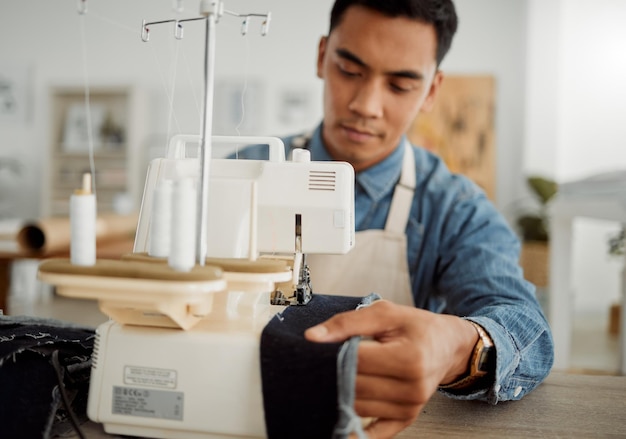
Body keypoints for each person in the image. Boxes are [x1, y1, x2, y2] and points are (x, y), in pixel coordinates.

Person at [240, 1, 553, 438]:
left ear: (431, 91)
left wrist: (456, 347)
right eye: (350, 70)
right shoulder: (240, 174)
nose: (367, 105)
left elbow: (527, 329)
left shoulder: (454, 206)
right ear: (321, 57)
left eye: (401, 84)